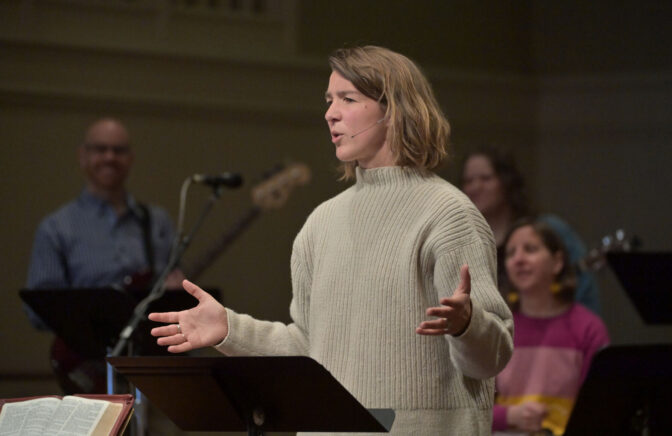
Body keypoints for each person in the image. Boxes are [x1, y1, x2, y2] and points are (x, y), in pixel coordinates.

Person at [149, 45, 514, 435]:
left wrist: (467, 325)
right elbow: (309, 347)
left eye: (348, 99)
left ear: (394, 109)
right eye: (329, 100)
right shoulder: (320, 224)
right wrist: (230, 330)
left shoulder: (449, 214)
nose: (330, 113)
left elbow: (491, 359)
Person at [25, 117, 184, 393]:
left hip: (151, 373)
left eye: (119, 150)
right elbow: (38, 309)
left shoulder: (156, 222)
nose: (110, 157)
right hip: (87, 369)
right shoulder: (56, 227)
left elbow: (171, 292)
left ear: (131, 158)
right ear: (83, 156)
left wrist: (177, 293)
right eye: (100, 149)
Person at [492, 219, 609, 435]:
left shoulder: (588, 327)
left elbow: (601, 407)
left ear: (557, 262)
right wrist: (509, 416)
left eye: (530, 249)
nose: (518, 259)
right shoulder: (497, 326)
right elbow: (471, 407)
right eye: (510, 253)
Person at [460, 146, 602, 314]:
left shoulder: (550, 229)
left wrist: (579, 327)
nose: (475, 187)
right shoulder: (463, 241)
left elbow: (583, 287)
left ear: (506, 182)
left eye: (486, 178)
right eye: (468, 181)